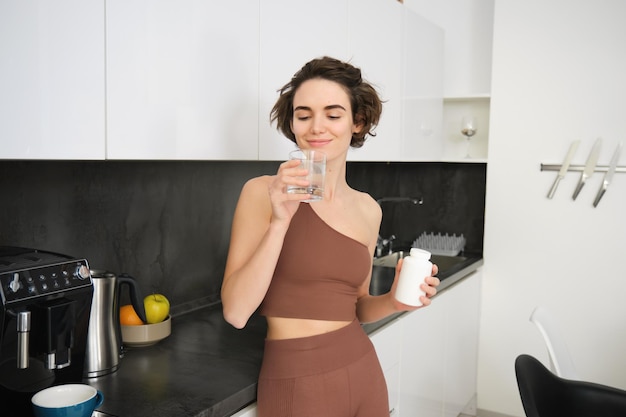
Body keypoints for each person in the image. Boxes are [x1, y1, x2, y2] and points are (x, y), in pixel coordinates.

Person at [221, 56, 440, 417]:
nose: (316, 127)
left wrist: (396, 300)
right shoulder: (263, 193)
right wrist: (280, 222)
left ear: (358, 122)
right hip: (297, 381)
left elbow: (356, 306)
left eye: (333, 115)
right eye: (303, 115)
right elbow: (236, 312)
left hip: (363, 369)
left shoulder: (369, 209)